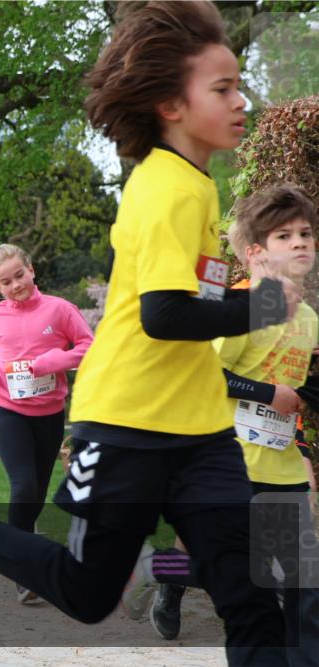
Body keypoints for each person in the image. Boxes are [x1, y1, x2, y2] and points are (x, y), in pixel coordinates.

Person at [0, 3, 296, 665]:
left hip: (200, 429)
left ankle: (166, 575)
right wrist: (260, 305)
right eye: (222, 88)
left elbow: (195, 298)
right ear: (171, 105)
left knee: (251, 598)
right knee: (88, 591)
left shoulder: (196, 184)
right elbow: (164, 316)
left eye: (237, 85)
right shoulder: (165, 189)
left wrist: (248, 298)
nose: (240, 100)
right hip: (128, 422)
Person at [120, 184, 319, 662]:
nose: (299, 243)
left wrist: (300, 409)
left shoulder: (310, 317)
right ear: (255, 252)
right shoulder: (237, 310)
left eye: (306, 234)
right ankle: (156, 568)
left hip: (282, 468)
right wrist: (270, 394)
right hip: (230, 465)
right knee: (239, 574)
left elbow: (304, 385)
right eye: (284, 236)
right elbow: (206, 374)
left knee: (302, 586)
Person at [0, 243, 93, 603]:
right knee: (23, 486)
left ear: (31, 270)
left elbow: (89, 347)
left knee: (37, 491)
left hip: (49, 413)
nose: (16, 285)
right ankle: (22, 568)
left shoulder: (60, 309)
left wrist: (53, 361)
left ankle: (24, 539)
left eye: (19, 275)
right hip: (8, 409)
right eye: (6, 282)